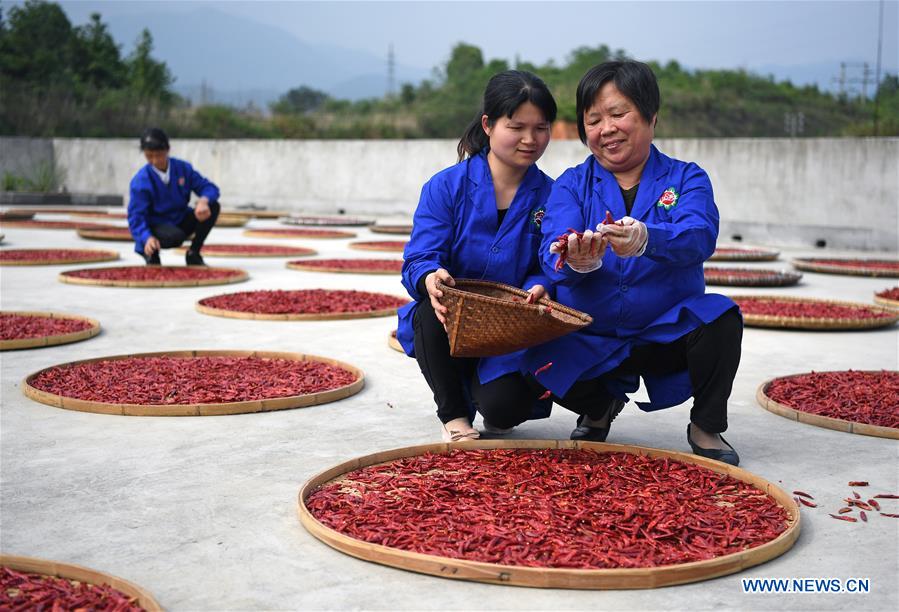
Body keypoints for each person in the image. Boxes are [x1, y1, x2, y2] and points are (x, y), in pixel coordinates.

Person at [524, 60, 743, 465]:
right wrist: (576, 259)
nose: (606, 128)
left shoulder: (687, 178)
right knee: (533, 346)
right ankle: (598, 405)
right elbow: (553, 242)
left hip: (664, 329)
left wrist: (649, 239)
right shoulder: (572, 183)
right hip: (593, 331)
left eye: (618, 113)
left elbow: (699, 235)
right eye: (593, 119)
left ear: (651, 116)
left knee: (721, 318)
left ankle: (706, 425)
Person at [397, 70, 557, 442]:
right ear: (488, 124)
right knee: (427, 307)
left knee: (505, 412)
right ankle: (454, 416)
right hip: (452, 323)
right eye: (516, 127)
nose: (530, 140)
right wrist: (430, 275)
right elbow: (419, 256)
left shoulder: (552, 195)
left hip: (509, 331)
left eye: (541, 128)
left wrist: (541, 284)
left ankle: (487, 392)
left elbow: (549, 264)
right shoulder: (446, 187)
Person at [127, 127, 221, 265]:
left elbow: (209, 187)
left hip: (179, 219)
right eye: (149, 156)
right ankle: (150, 251)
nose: (154, 160)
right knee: (174, 237)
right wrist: (147, 237)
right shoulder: (141, 180)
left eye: (158, 155)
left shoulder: (183, 168)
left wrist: (204, 200)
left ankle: (193, 253)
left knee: (213, 206)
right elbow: (136, 216)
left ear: (167, 149)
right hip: (156, 224)